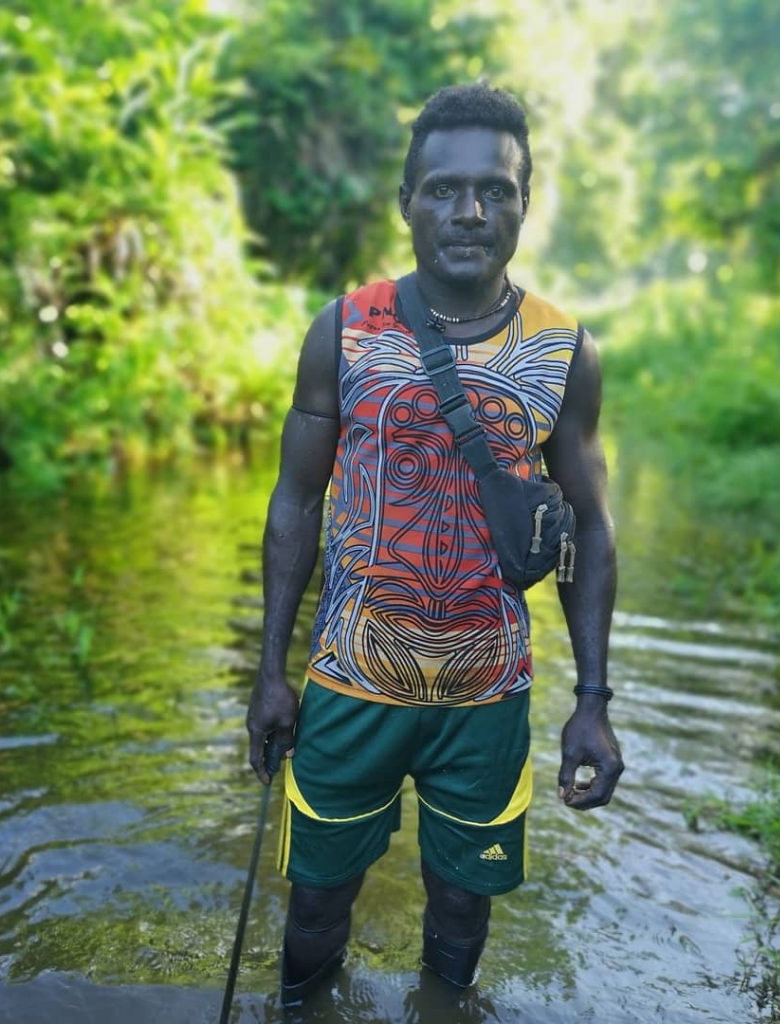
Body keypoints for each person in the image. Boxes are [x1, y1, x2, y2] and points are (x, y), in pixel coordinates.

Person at [245, 82, 624, 1007]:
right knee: (315, 912)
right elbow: (294, 502)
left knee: (462, 917)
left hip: (488, 698)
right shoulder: (343, 330)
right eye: (445, 189)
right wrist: (269, 670)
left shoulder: (562, 350)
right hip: (348, 682)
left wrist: (594, 700)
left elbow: (591, 528)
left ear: (525, 205)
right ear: (406, 202)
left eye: (496, 191)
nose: (469, 211)